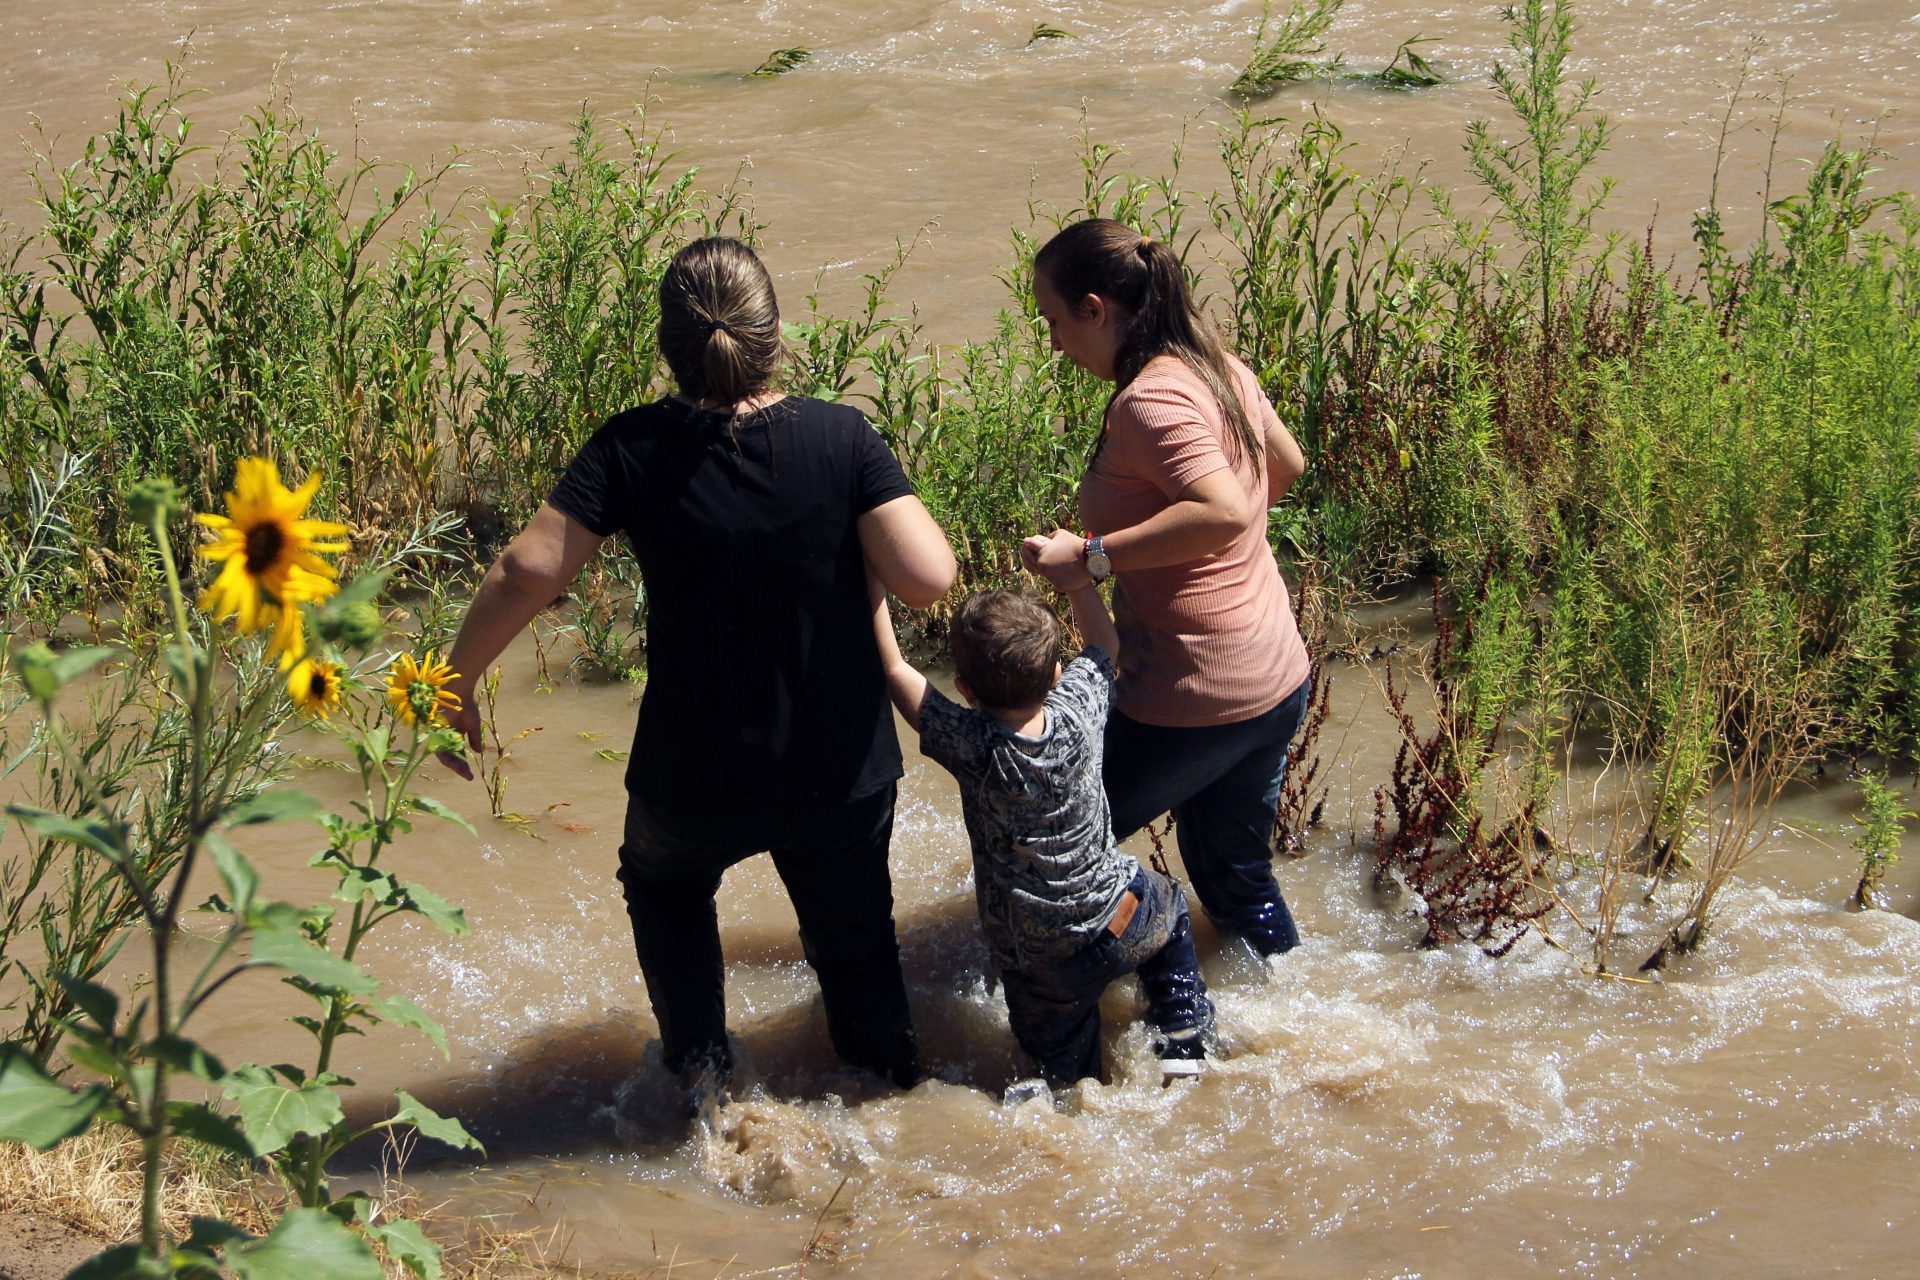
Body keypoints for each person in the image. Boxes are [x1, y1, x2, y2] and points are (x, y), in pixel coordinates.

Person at [438, 236, 956, 1092]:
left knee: (667, 889)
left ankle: (701, 1087)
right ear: (774, 331)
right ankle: (887, 1086)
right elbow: (929, 579)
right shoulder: (843, 436)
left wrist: (454, 682)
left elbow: (528, 570)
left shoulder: (631, 448)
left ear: (666, 344)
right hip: (839, 768)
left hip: (693, 770)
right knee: (857, 944)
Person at [1020, 217, 1311, 959]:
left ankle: (1081, 998)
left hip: (1192, 699)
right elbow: (1284, 468)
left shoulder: (1148, 401)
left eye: (1055, 320)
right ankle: (1293, 1011)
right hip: (1273, 676)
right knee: (1237, 880)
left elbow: (1223, 509)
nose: (1054, 342)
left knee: (1043, 848)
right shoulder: (1218, 366)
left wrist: (1093, 558)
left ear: (1096, 308)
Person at [869, 577, 1214, 1086]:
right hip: (1122, 915)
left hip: (1041, 964)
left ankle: (1078, 1092)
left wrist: (873, 590)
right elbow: (1105, 645)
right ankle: (1184, 1037)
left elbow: (898, 669)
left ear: (964, 688)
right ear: (1056, 674)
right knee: (1170, 907)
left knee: (1064, 1083)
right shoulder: (1079, 709)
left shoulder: (973, 745)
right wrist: (1075, 581)